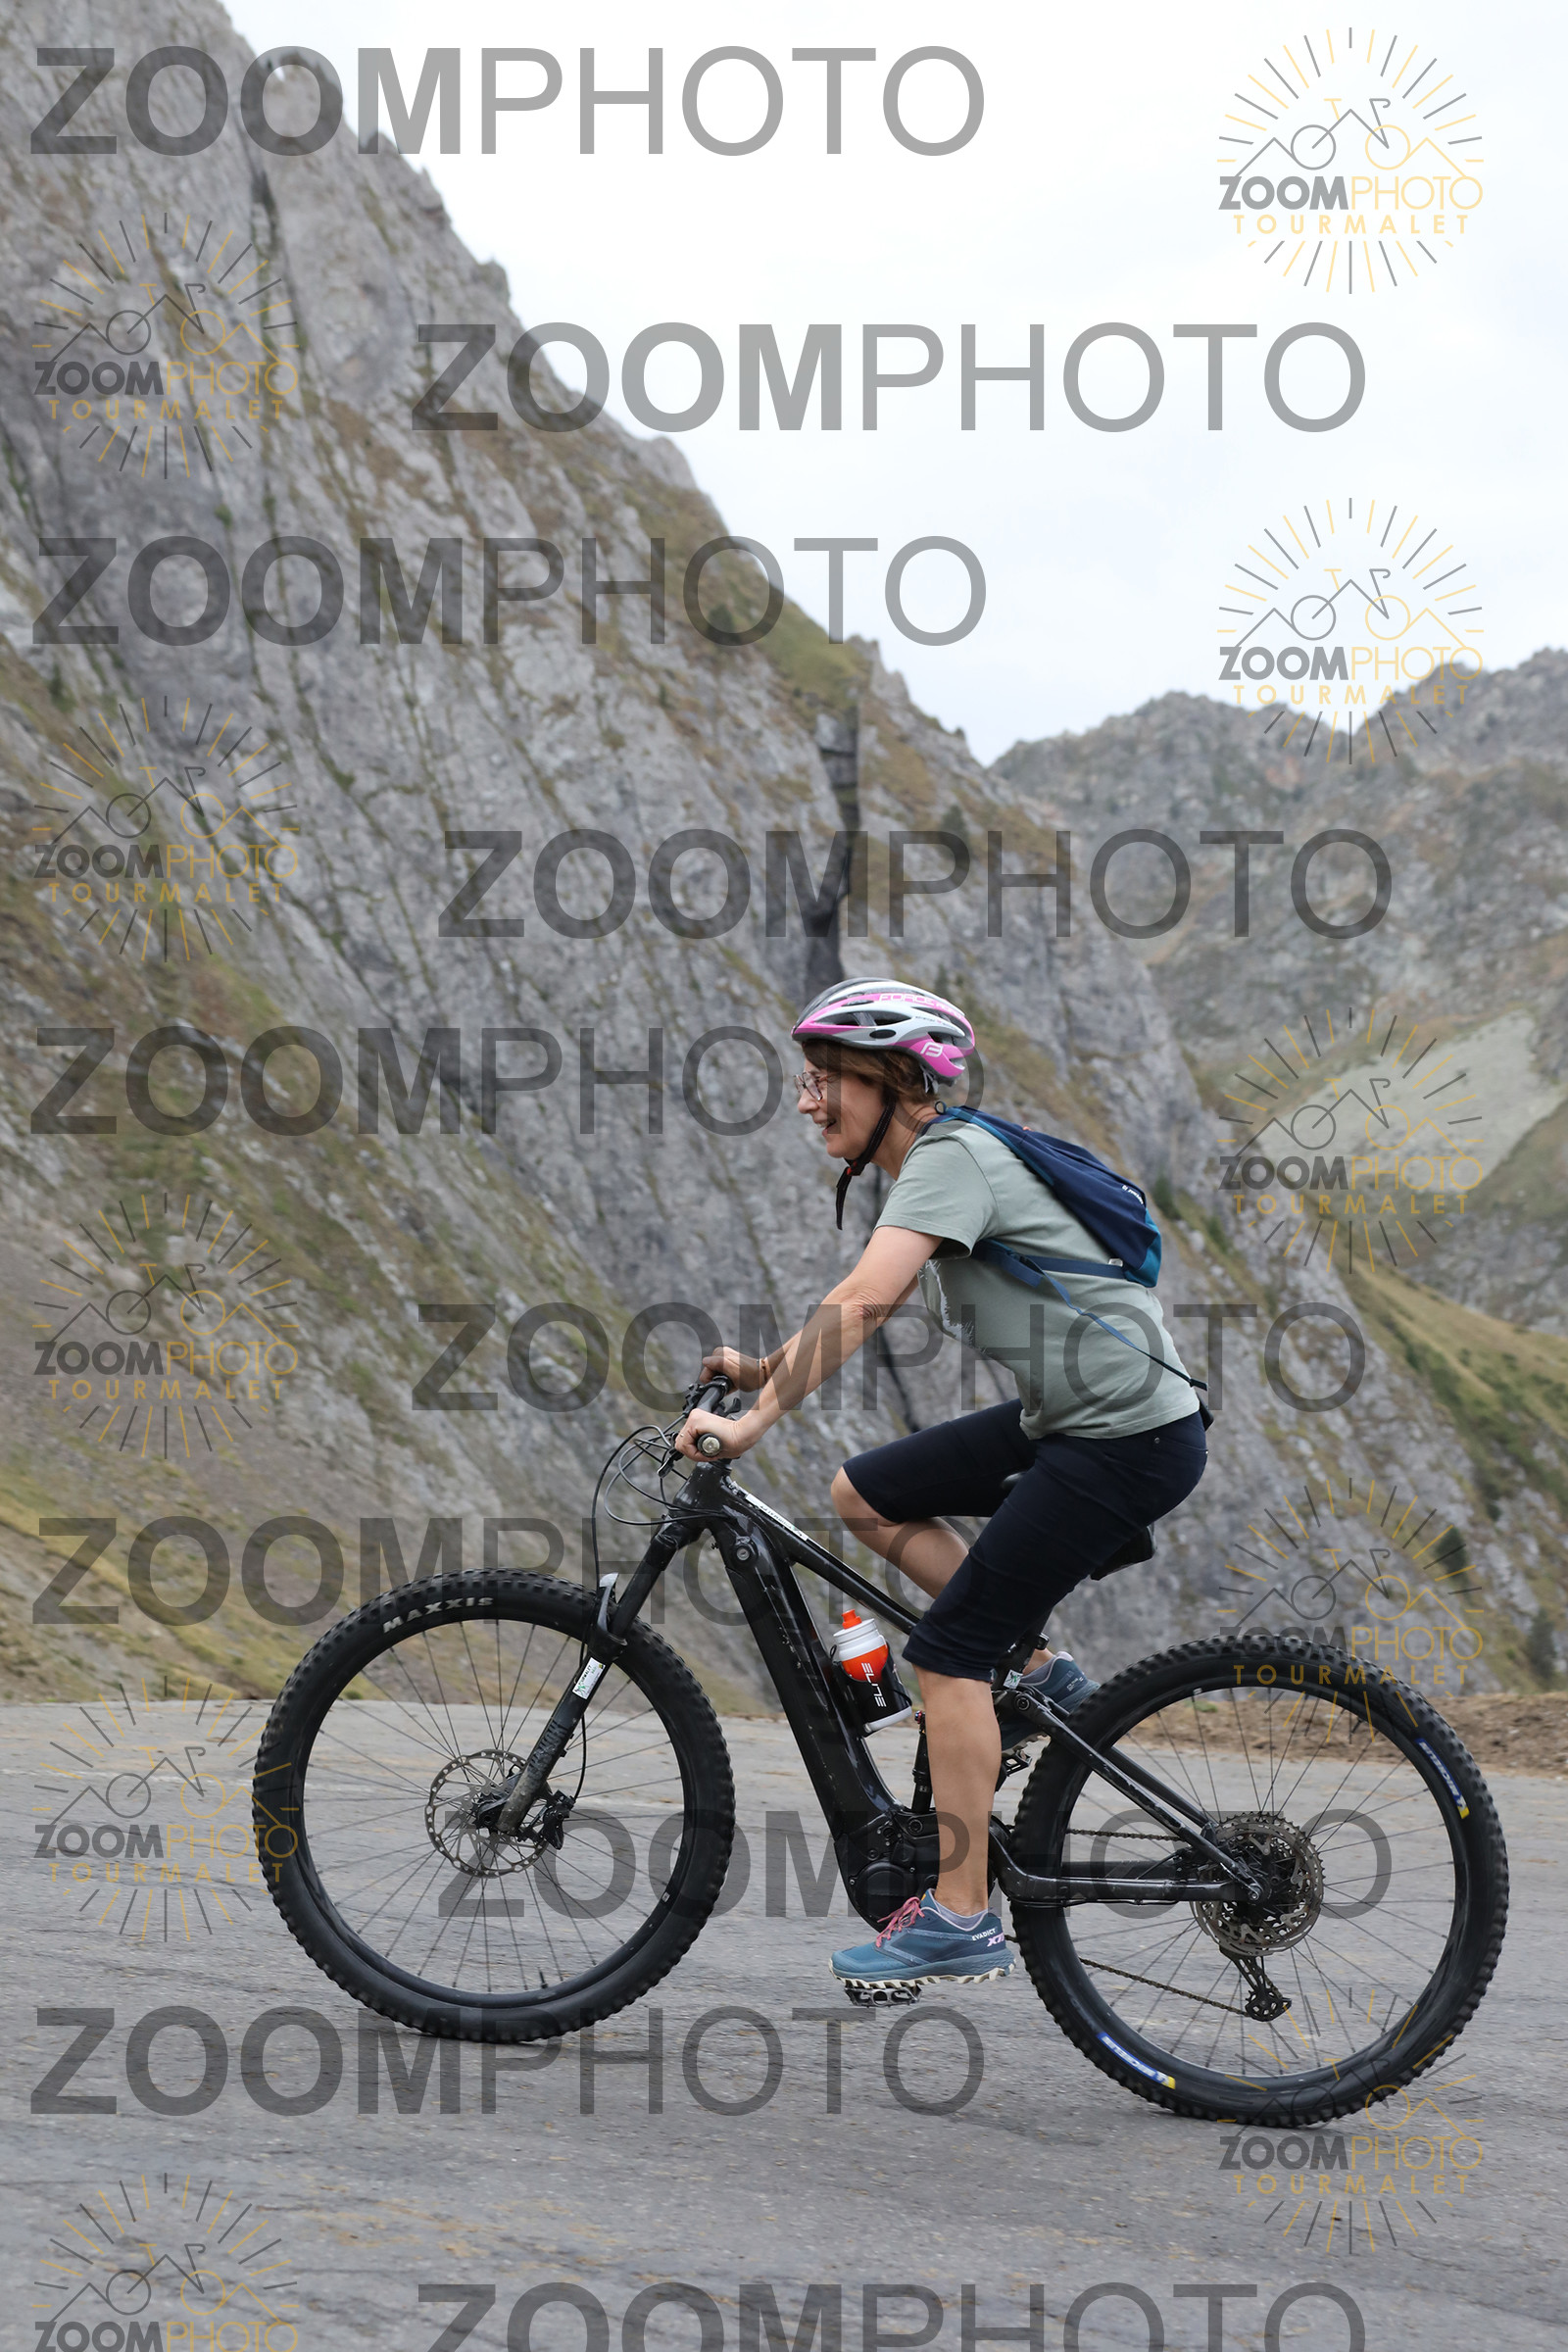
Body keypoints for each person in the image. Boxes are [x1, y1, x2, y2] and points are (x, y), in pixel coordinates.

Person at [674, 978, 1206, 1992]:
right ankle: (1036, 1671)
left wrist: (748, 1423)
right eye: (807, 1080)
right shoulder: (944, 1159)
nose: (807, 1101)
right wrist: (764, 1368)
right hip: (1083, 1418)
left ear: (889, 1081)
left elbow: (866, 1302)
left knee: (946, 1658)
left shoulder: (950, 1158)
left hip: (1124, 1439)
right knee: (862, 1494)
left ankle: (961, 1916)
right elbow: (855, 1295)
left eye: (824, 1080)